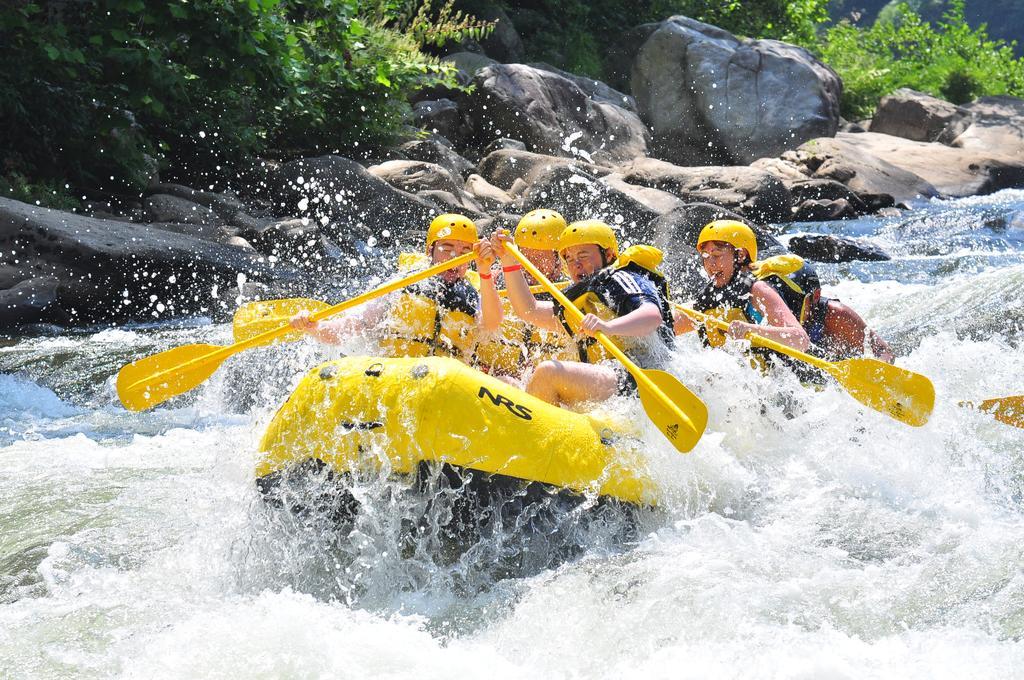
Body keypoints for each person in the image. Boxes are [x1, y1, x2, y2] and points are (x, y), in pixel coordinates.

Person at [493, 219, 676, 406]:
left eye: (583, 256)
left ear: (609, 254)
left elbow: (652, 316)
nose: (576, 265)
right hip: (605, 380)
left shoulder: (621, 277)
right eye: (569, 259)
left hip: (640, 375)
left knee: (547, 373)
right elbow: (529, 310)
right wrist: (508, 259)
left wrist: (607, 326)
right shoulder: (577, 298)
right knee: (505, 385)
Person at [290, 213, 502, 363]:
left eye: (465, 251)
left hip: (446, 389)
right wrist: (313, 327)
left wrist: (485, 271)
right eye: (447, 248)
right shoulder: (402, 285)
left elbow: (492, 324)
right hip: (398, 378)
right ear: (430, 251)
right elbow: (351, 326)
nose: (455, 258)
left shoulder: (475, 295)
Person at [672, 220, 811, 358]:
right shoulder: (707, 297)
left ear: (741, 255)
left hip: (775, 375)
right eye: (705, 256)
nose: (710, 264)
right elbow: (667, 327)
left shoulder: (758, 289)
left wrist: (750, 330)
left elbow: (800, 340)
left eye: (717, 255)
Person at [474, 209, 574, 376]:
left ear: (559, 259)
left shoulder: (570, 293)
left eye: (539, 260)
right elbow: (481, 325)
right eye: (525, 259)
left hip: (540, 390)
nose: (529, 267)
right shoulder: (497, 279)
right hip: (494, 378)